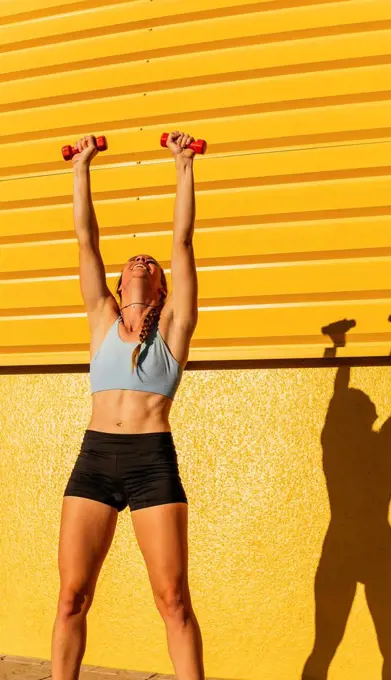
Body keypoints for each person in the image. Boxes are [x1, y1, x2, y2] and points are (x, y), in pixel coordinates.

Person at [51, 132, 204, 680]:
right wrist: (81, 168)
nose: (143, 260)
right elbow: (85, 239)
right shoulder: (100, 319)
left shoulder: (174, 328)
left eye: (151, 262)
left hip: (150, 463)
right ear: (118, 282)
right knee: (71, 597)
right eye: (132, 260)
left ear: (161, 284)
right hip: (94, 459)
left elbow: (182, 242)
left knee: (173, 601)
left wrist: (182, 165)